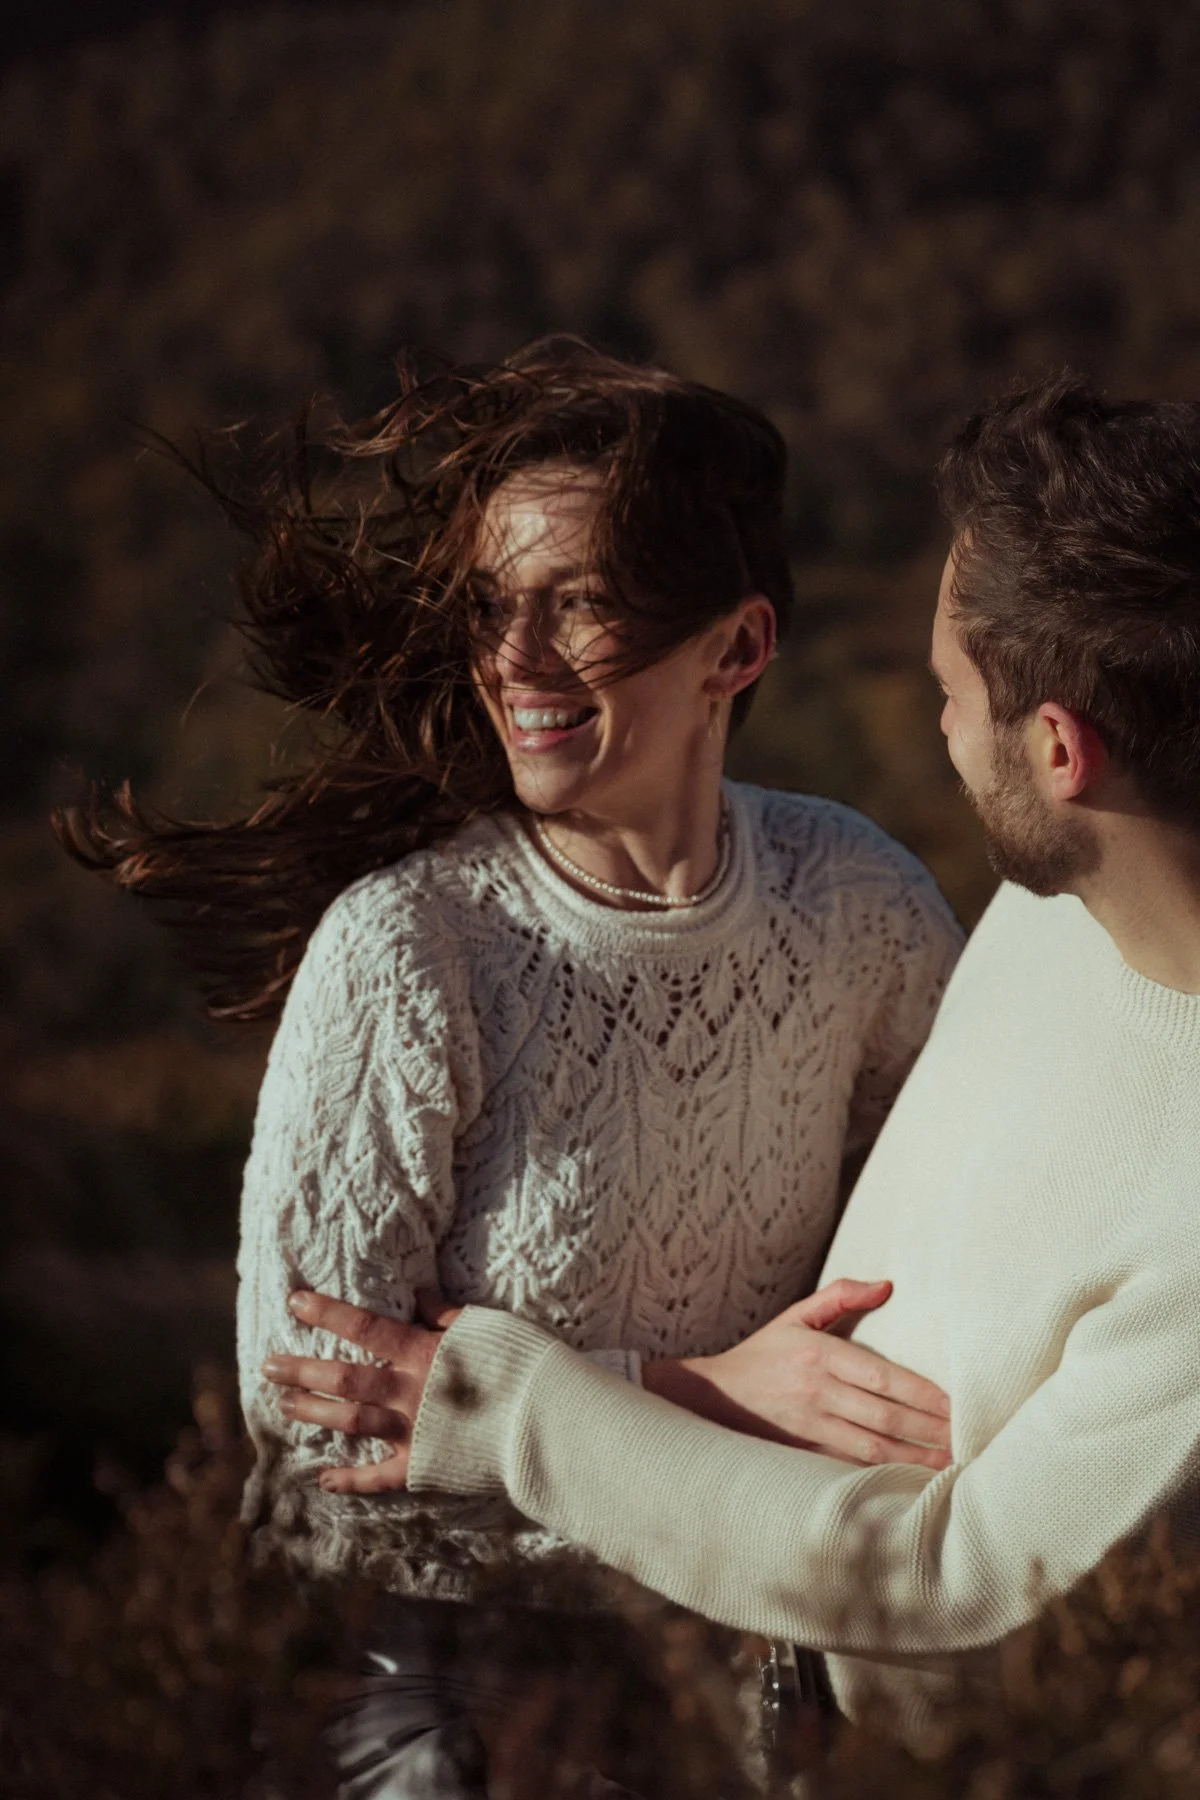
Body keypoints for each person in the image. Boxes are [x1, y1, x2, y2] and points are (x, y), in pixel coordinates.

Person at [61, 340, 962, 1794]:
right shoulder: (410, 951)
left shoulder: (857, 904)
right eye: (493, 607)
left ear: (736, 648)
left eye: (581, 605)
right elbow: (316, 1459)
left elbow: (949, 1284)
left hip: (774, 1685)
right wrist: (712, 1396)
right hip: (449, 1705)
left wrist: (491, 1401)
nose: (515, 659)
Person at [266, 371, 1200, 1746]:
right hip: (493, 1702)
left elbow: (973, 1583)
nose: (936, 726)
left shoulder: (865, 900)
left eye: (948, 695)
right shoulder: (1054, 909)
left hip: (869, 1750)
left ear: (1060, 750)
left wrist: (551, 1411)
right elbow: (312, 1430)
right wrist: (689, 1401)